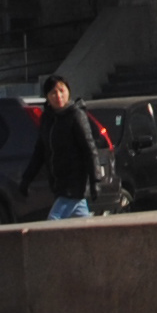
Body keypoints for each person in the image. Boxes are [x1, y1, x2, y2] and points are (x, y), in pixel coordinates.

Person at [28, 75, 108, 221]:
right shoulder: (48, 118)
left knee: (53, 221)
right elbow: (40, 151)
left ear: (68, 91)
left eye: (61, 90)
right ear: (47, 96)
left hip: (74, 183)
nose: (58, 96)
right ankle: (93, 236)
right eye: (53, 92)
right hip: (59, 183)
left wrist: (95, 181)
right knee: (82, 222)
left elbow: (90, 149)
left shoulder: (76, 115)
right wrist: (27, 179)